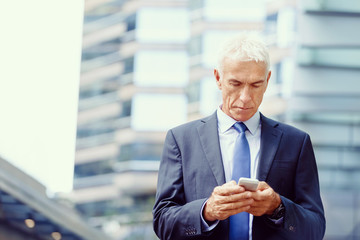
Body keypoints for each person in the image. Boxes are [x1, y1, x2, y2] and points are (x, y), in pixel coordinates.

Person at [153, 34, 325, 240]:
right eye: (235, 83)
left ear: (268, 80)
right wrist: (207, 211)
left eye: (255, 85)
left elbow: (315, 229)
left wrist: (277, 207)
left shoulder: (296, 142)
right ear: (218, 78)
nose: (245, 98)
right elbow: (162, 222)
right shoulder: (181, 140)